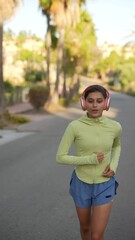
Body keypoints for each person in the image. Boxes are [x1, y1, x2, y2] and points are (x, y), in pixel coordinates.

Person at [56, 84, 122, 240]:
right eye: (90, 100)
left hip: (105, 184)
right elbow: (60, 157)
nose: (94, 105)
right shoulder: (74, 126)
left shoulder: (115, 127)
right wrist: (89, 160)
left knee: (97, 235)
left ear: (106, 103)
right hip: (81, 183)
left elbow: (117, 146)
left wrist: (113, 166)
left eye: (99, 101)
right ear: (83, 103)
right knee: (85, 229)